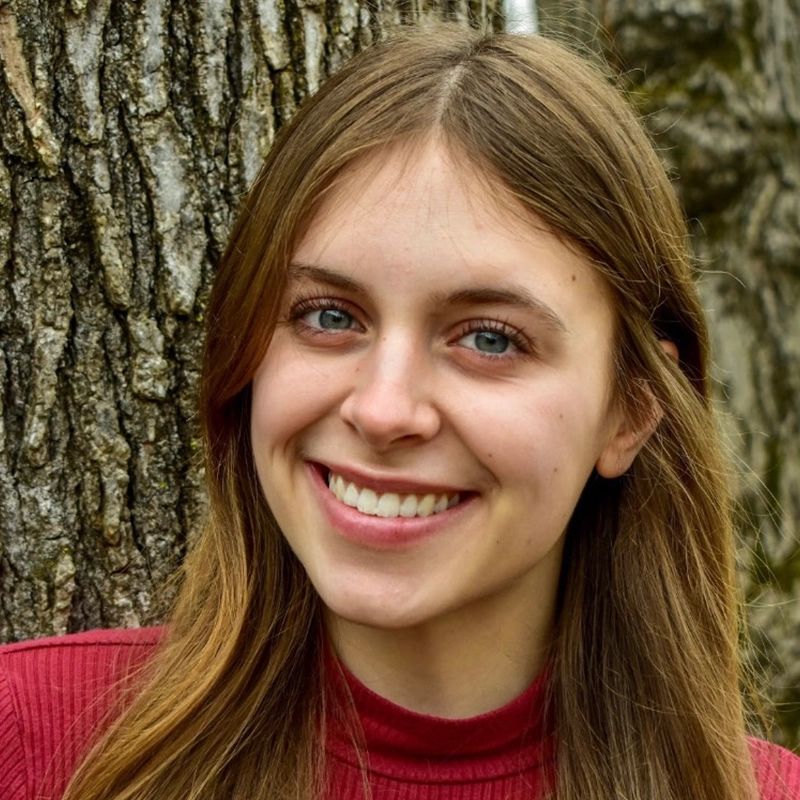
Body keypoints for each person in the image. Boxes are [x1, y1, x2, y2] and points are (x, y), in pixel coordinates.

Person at [0, 23, 798, 800]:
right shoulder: (33, 741)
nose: (384, 411)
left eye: (489, 337)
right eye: (329, 316)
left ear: (630, 409)